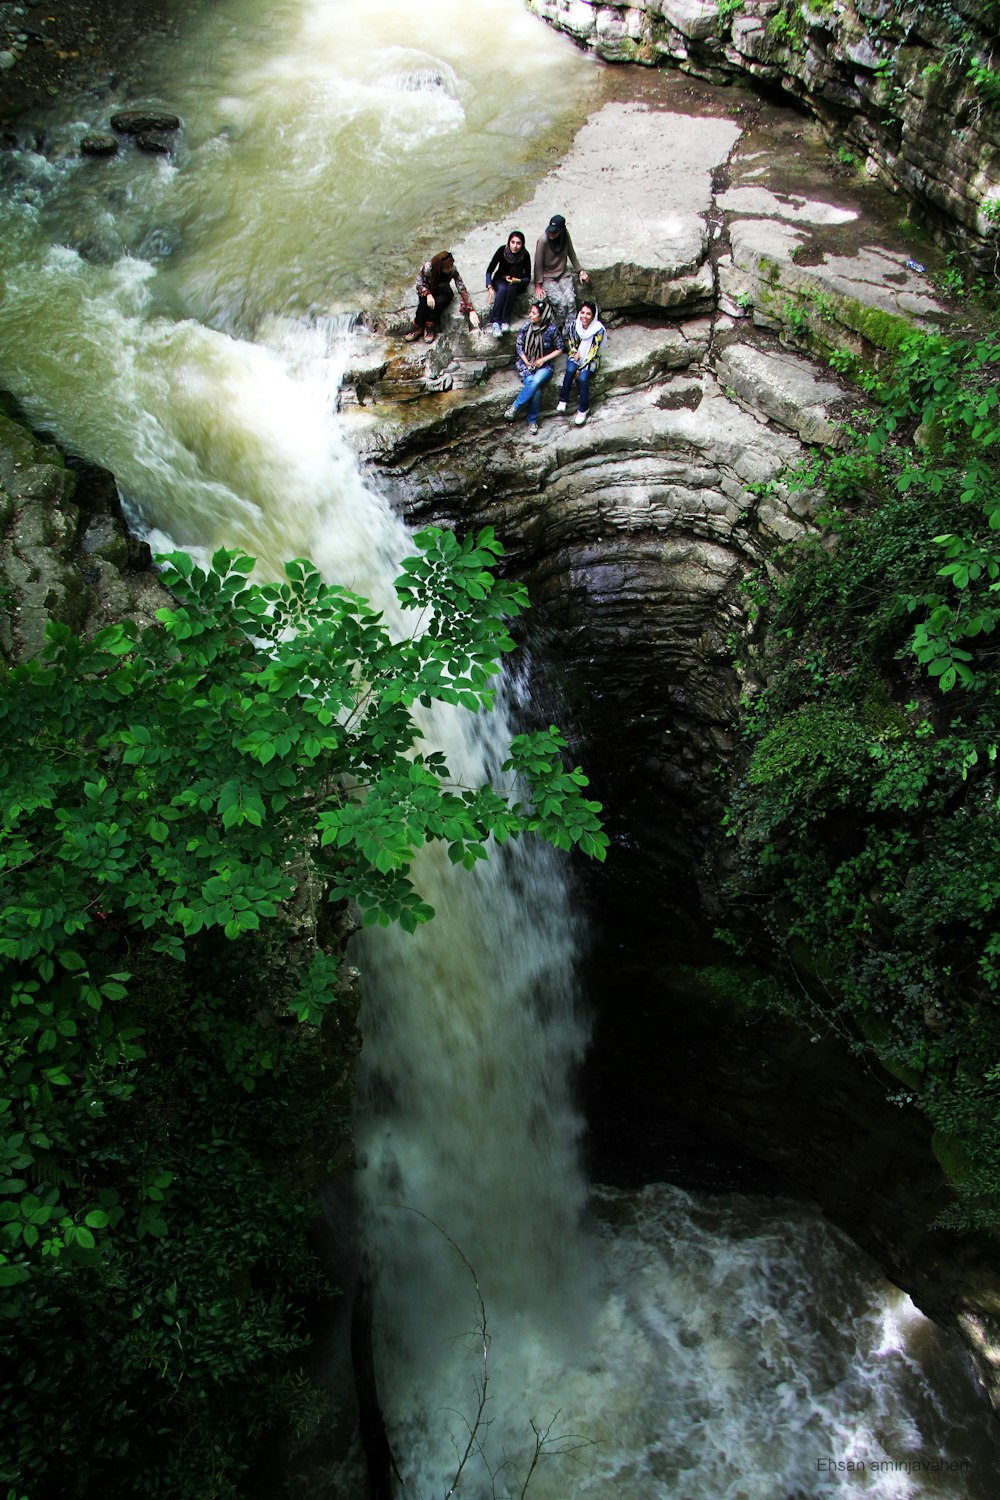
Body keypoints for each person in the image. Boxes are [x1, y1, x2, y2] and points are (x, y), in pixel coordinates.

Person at [503, 299, 564, 435]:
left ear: (542, 316)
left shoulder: (552, 330)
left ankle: (515, 407)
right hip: (525, 364)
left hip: (544, 366)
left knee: (535, 381)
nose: (530, 315)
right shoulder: (527, 327)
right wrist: (526, 362)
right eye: (531, 312)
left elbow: (560, 348)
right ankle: (532, 421)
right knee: (535, 390)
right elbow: (519, 346)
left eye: (534, 313)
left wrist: (542, 360)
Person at [533, 213, 589, 340]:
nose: (551, 234)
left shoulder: (565, 234)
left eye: (555, 232)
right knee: (561, 303)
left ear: (561, 230)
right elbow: (538, 263)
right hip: (548, 277)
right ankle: (562, 333)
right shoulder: (543, 240)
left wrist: (580, 270)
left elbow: (571, 253)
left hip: (563, 274)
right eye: (550, 232)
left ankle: (571, 332)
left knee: (570, 301)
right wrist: (538, 285)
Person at [403, 251, 479, 344]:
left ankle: (429, 327)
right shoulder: (428, 267)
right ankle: (418, 327)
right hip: (428, 290)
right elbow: (419, 283)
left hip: (444, 291)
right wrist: (427, 294)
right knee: (423, 303)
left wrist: (470, 309)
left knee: (439, 302)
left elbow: (461, 287)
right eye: (448, 267)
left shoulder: (452, 270)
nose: (450, 269)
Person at [556, 301, 606, 426]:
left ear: (593, 316)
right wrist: (573, 351)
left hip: (591, 359)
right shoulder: (575, 324)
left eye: (588, 314)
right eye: (582, 312)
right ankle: (563, 399)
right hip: (577, 354)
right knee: (570, 370)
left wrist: (582, 367)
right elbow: (571, 341)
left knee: (583, 378)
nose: (584, 316)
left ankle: (584, 408)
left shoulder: (598, 330)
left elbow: (594, 351)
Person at [484, 230, 531, 338]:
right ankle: (496, 322)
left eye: (518, 243)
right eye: (513, 242)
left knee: (511, 289)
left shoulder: (525, 255)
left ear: (522, 244)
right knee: (503, 289)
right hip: (501, 279)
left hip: (516, 282)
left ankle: (505, 320)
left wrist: (517, 280)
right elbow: (489, 270)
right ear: (509, 242)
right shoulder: (502, 251)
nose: (515, 246)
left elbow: (527, 277)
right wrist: (489, 285)